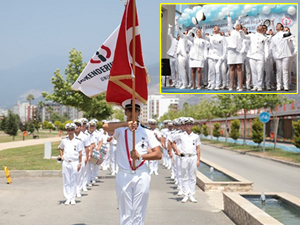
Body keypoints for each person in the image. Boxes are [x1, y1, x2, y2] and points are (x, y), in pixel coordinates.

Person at [103, 98, 162, 225]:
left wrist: (141, 156)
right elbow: (105, 127)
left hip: (142, 173)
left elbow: (158, 154)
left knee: (139, 210)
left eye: (135, 110)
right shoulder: (120, 130)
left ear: (140, 112)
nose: (132, 113)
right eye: (129, 110)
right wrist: (126, 124)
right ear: (125, 112)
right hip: (124, 174)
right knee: (125, 211)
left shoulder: (147, 132)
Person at [172, 117, 200, 203]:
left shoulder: (196, 136)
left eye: (190, 124)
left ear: (192, 126)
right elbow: (173, 142)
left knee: (192, 176)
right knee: (184, 176)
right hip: (184, 157)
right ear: (185, 125)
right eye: (187, 124)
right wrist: (177, 151)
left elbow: (198, 148)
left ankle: (191, 194)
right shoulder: (181, 135)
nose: (188, 126)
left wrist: (198, 159)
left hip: (193, 157)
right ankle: (185, 194)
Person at [58, 123, 83, 205]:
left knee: (73, 180)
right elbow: (60, 148)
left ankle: (72, 197)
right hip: (66, 162)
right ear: (67, 131)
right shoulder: (64, 140)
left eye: (72, 130)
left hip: (74, 162)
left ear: (74, 130)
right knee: (66, 180)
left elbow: (80, 153)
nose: (70, 131)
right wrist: (62, 156)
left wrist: (79, 163)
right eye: (69, 130)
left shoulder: (78, 141)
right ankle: (67, 197)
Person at [241, 25, 269, 92]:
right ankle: (255, 85)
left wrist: (266, 56)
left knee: (260, 71)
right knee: (253, 72)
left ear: (263, 29)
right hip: (252, 55)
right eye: (258, 26)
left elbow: (266, 47)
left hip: (260, 56)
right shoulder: (252, 35)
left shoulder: (264, 37)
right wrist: (240, 31)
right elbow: (244, 36)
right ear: (256, 28)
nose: (259, 27)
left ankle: (259, 86)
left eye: (261, 27)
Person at [270, 22, 297, 91]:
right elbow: (272, 47)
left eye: (279, 25)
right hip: (278, 56)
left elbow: (293, 40)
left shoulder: (286, 34)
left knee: (285, 71)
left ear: (282, 28)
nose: (277, 26)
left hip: (286, 54)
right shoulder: (274, 37)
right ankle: (279, 85)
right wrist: (274, 55)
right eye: (277, 25)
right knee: (279, 70)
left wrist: (295, 50)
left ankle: (286, 85)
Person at [203, 24, 227, 90]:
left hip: (219, 57)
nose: (215, 28)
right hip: (211, 56)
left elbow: (225, 47)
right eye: (214, 27)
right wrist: (203, 29)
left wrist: (223, 56)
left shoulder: (222, 38)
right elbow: (203, 36)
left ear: (219, 30)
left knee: (217, 71)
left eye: (216, 28)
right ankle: (212, 84)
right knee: (211, 71)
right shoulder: (210, 37)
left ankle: (217, 85)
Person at [73, 119, 90, 198]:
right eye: (75, 125)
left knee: (80, 174)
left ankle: (78, 190)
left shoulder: (84, 136)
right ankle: (73, 190)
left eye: (78, 125)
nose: (77, 127)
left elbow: (87, 147)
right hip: (73, 157)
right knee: (73, 175)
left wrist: (87, 157)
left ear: (80, 127)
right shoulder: (70, 135)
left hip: (82, 156)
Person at [227, 15, 244, 91]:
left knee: (239, 68)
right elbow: (230, 23)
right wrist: (228, 17)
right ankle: (232, 84)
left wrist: (242, 50)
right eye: (236, 25)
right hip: (232, 51)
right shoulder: (232, 31)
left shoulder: (242, 33)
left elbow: (244, 42)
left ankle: (240, 85)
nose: (237, 26)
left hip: (239, 51)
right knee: (232, 67)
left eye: (239, 25)